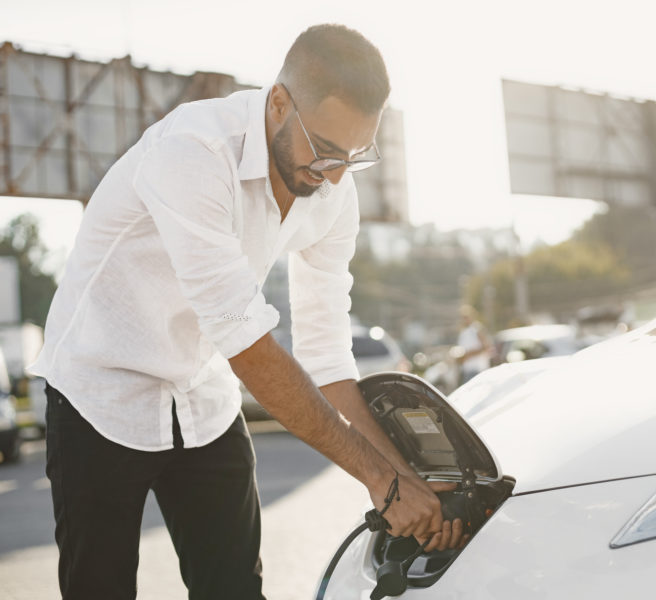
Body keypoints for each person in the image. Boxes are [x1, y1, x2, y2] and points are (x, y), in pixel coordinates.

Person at [31, 24, 463, 600]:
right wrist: (383, 484)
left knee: (234, 591)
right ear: (279, 102)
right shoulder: (193, 153)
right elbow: (248, 346)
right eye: (326, 151)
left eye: (353, 157)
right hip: (100, 391)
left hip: (201, 395)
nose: (334, 175)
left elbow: (328, 354)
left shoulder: (334, 187)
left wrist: (406, 482)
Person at [456, 305, 493, 383]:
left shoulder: (476, 328)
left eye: (466, 316)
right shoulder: (463, 331)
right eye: (463, 317)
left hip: (477, 369)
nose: (464, 319)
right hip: (467, 369)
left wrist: (469, 354)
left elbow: (486, 346)